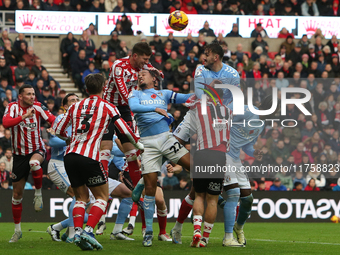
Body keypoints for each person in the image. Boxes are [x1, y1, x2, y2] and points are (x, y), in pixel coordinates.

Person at [54, 73, 143, 250]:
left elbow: (57, 129)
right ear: (103, 87)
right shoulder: (108, 107)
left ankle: (77, 232)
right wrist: (139, 144)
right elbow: (124, 129)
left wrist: (69, 139)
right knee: (102, 197)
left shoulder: (75, 106)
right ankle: (88, 230)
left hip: (70, 156)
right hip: (90, 157)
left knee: (81, 197)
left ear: (86, 89)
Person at [128, 69, 191, 247]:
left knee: (193, 166)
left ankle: (207, 197)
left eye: (144, 74)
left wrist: (207, 94)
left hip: (166, 138)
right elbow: (133, 108)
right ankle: (148, 232)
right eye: (138, 74)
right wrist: (155, 108)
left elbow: (186, 97)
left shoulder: (164, 94)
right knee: (150, 189)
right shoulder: (135, 94)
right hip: (147, 143)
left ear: (154, 79)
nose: (140, 76)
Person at [101, 42, 163, 189]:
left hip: (125, 108)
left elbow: (160, 76)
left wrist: (156, 73)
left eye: (148, 59)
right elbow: (123, 93)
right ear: (135, 56)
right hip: (109, 107)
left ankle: (137, 192)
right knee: (106, 146)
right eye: (145, 59)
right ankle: (102, 187)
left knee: (131, 152)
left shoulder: (144, 67)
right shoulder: (119, 66)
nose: (147, 62)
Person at [3, 84, 56, 242]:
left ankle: (38, 194)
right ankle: (17, 230)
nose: (33, 97)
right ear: (20, 96)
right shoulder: (12, 108)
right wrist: (24, 117)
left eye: (33, 94)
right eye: (29, 94)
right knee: (17, 195)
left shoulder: (39, 107)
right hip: (19, 155)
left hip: (37, 150)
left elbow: (52, 119)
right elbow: (6, 123)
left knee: (35, 163)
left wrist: (55, 128)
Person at [46, 93, 79, 242]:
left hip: (74, 165)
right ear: (65, 107)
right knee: (78, 196)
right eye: (72, 100)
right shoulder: (61, 119)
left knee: (87, 203)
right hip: (58, 164)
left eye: (77, 100)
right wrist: (72, 138)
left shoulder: (81, 120)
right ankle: (72, 235)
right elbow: (53, 142)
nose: (76, 102)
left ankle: (57, 227)